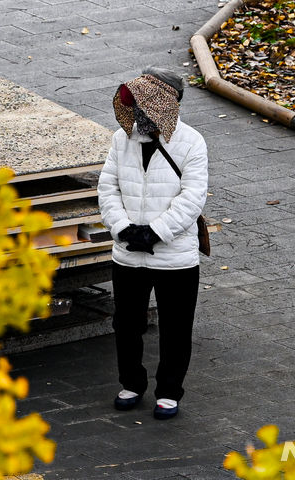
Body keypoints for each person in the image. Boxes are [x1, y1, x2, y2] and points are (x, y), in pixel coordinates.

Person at [97, 66, 208, 420]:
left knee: (176, 328)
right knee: (126, 325)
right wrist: (123, 228)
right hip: (128, 256)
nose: (140, 112)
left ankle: (170, 390)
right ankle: (131, 382)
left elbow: (193, 198)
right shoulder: (121, 140)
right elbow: (107, 188)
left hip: (175, 258)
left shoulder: (192, 142)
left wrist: (156, 232)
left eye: (148, 104)